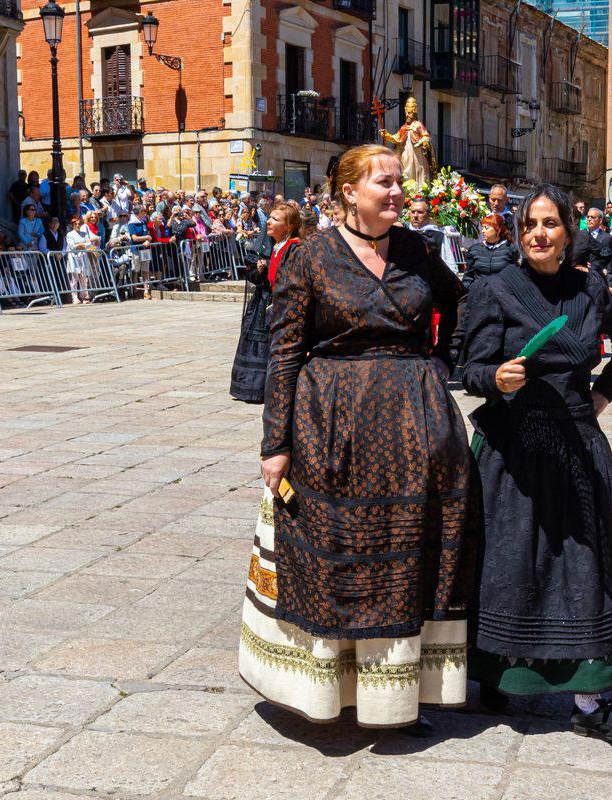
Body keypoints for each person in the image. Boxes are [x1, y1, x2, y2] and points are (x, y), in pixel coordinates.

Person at [238, 144, 478, 731]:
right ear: (348, 192)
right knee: (337, 551)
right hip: (332, 423)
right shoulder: (310, 257)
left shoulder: (417, 250)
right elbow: (285, 354)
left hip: (414, 424)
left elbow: (463, 303)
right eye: (384, 182)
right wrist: (275, 444)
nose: (397, 192)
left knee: (409, 554)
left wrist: (441, 362)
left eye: (398, 182)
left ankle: (397, 700)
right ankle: (329, 693)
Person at [462, 183, 612, 740]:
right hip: (511, 449)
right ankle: (497, 674)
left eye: (549, 224)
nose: (538, 234)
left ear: (568, 233)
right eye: (529, 225)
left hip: (575, 444)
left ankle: (588, 699)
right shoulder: (495, 289)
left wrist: (605, 392)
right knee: (507, 563)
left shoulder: (590, 289)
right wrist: (495, 378)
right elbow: (469, 369)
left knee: (581, 566)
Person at [229, 203, 302, 403]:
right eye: (269, 218)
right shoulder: (267, 243)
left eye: (275, 219)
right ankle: (251, 388)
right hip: (262, 302)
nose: (268, 222)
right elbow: (251, 270)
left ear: (288, 226)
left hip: (280, 303)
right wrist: (260, 270)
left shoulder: (294, 248)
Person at [573, 208, 612, 295]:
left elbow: (611, 261)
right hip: (583, 279)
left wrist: (611, 284)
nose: (589, 219)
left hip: (601, 279)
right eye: (588, 217)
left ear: (600, 220)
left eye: (592, 217)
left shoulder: (606, 238)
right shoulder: (581, 236)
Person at [463, 213, 519, 289]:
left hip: (502, 292)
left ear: (498, 230)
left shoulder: (510, 249)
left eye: (486, 228)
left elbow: (515, 275)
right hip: (478, 292)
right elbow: (468, 276)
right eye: (482, 228)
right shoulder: (474, 249)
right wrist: (465, 292)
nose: (483, 231)